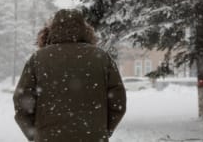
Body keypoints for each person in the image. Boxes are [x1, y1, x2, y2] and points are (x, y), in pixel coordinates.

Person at [13, 9, 126, 142]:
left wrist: (35, 134)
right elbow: (118, 101)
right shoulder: (101, 57)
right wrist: (102, 130)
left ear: (51, 30)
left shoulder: (38, 59)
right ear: (85, 29)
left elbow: (22, 102)